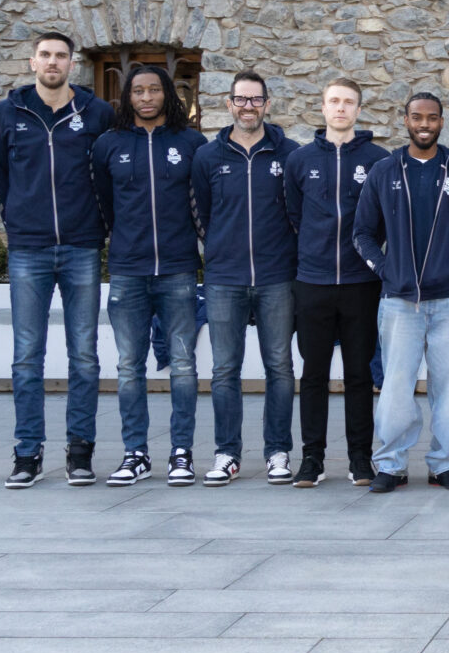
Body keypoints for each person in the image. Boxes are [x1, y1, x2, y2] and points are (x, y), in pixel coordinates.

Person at [0, 31, 110, 488]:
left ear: (72, 64)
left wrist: (98, 224)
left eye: (60, 56)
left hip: (81, 245)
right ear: (32, 61)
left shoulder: (97, 113)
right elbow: (0, 175)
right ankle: (27, 453)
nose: (52, 62)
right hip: (28, 248)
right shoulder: (9, 112)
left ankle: (80, 452)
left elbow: (107, 174)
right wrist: (19, 221)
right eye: (45, 55)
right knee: (26, 356)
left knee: (84, 355)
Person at [353, 90, 449, 493]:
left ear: (442, 122)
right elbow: (362, 234)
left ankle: (446, 464)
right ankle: (390, 465)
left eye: (431, 118)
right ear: (405, 120)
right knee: (396, 385)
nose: (424, 124)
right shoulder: (385, 170)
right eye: (416, 117)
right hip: (399, 301)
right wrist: (385, 268)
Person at [91, 62, 205, 486]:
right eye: (137, 91)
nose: (145, 98)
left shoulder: (191, 143)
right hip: (127, 269)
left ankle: (181, 451)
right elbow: (104, 202)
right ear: (127, 97)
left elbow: (202, 203)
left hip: (177, 268)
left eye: (154, 90)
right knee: (128, 366)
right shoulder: (108, 145)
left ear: (166, 95)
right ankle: (135, 452)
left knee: (182, 364)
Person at [191, 71, 298, 486]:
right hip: (224, 278)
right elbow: (200, 212)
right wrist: (219, 248)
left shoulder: (290, 154)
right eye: (241, 99)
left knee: (280, 367)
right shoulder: (208, 157)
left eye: (256, 100)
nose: (248, 107)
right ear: (228, 103)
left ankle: (278, 451)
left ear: (267, 104)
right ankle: (227, 453)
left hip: (276, 276)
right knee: (224, 370)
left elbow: (298, 214)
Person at [285, 79, 390, 488]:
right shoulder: (301, 159)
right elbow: (294, 214)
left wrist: (373, 262)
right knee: (313, 374)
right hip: (312, 281)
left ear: (359, 109)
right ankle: (311, 458)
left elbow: (382, 220)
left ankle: (360, 459)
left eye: (348, 102)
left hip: (361, 282)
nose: (340, 108)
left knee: (360, 374)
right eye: (334, 101)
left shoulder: (379, 160)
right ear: (323, 107)